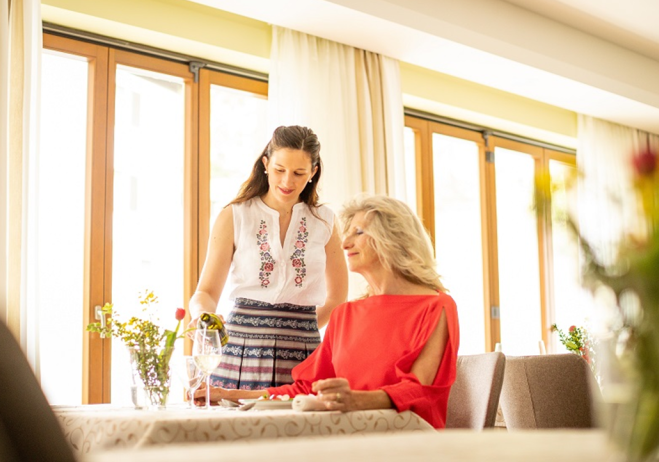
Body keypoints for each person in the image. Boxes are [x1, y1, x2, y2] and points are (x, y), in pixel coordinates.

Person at [197, 194, 460, 429]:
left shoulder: (437, 306)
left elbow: (420, 390)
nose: (344, 243)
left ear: (393, 238)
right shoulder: (345, 314)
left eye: (358, 232)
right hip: (345, 435)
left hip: (406, 439)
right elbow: (304, 388)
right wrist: (228, 394)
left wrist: (356, 401)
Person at [189, 125, 348, 390]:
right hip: (239, 348)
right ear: (266, 164)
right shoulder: (234, 215)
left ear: (313, 172)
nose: (287, 182)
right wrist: (204, 315)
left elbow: (337, 297)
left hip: (304, 352)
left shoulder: (326, 221)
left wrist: (301, 327)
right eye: (279, 170)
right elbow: (204, 292)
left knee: (301, 429)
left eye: (298, 173)